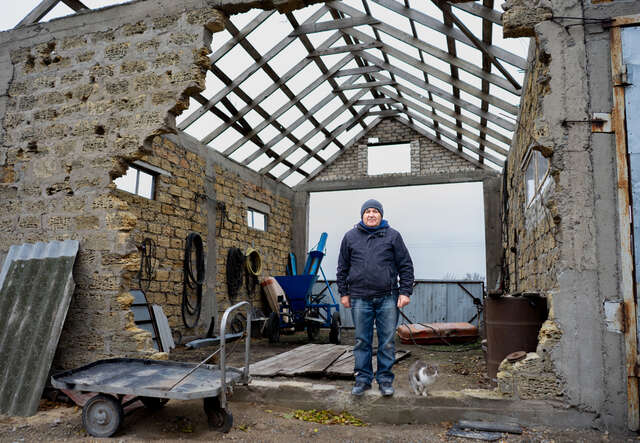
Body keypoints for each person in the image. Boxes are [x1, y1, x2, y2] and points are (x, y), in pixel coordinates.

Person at [336, 199, 414, 397]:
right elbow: (342, 268)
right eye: (367, 211)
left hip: (388, 297)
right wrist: (344, 293)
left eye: (375, 211)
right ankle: (362, 380)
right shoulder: (350, 237)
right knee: (362, 341)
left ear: (381, 215)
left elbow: (405, 265)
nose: (371, 214)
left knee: (387, 341)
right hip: (359, 298)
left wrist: (405, 292)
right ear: (362, 215)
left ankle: (385, 380)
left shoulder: (393, 236)